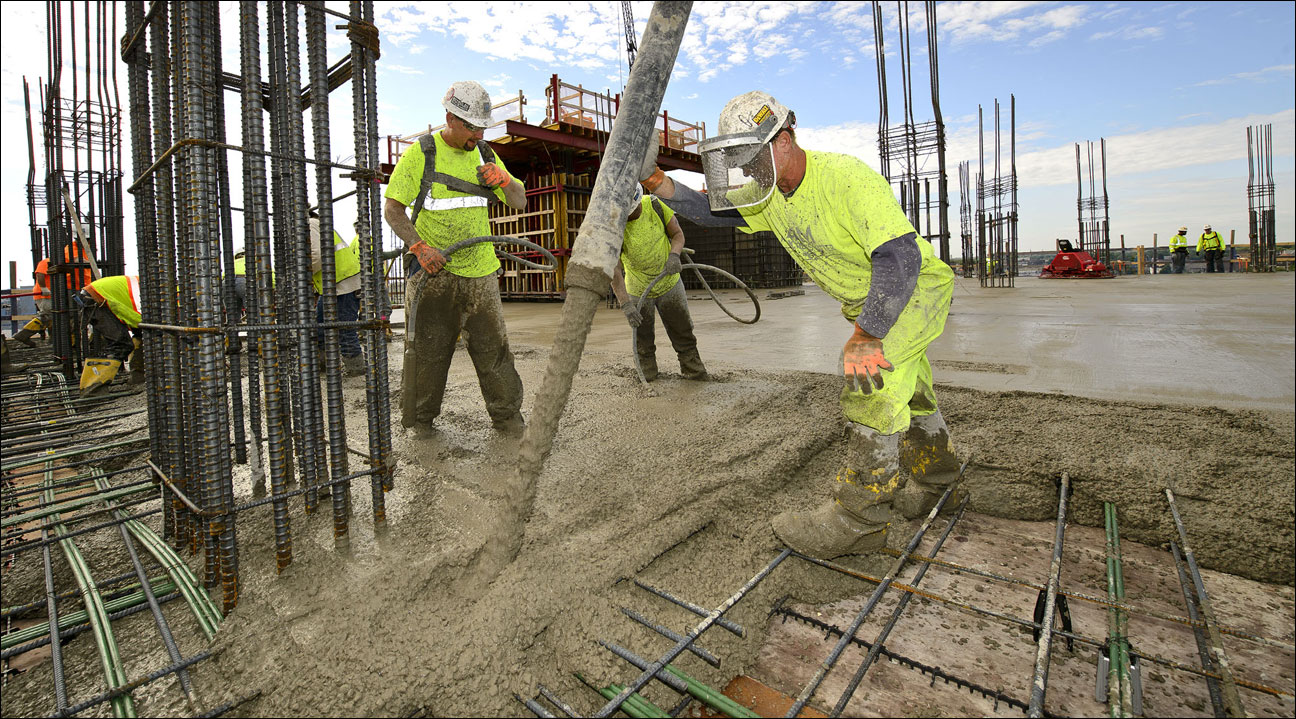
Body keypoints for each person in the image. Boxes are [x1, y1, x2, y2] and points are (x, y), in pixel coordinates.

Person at [641, 91, 959, 559]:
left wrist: (867, 335)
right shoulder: (769, 194)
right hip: (870, 300)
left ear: (784, 139)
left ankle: (861, 521)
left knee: (869, 381)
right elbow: (713, 211)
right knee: (911, 392)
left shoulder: (845, 178)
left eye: (752, 157)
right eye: (739, 161)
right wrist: (655, 180)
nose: (748, 171)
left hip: (910, 290)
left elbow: (899, 256)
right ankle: (942, 487)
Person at [382, 80, 528, 433]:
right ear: (450, 117)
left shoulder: (487, 156)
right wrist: (419, 247)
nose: (476, 134)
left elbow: (520, 201)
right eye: (470, 127)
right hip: (435, 274)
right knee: (429, 358)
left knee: (495, 354)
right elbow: (393, 210)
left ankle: (508, 418)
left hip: (481, 275)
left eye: (481, 127)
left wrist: (504, 180)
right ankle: (420, 423)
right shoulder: (422, 153)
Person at [612, 186, 708, 382]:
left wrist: (674, 255)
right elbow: (613, 267)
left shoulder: (656, 205)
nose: (629, 216)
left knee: (683, 332)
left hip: (669, 282)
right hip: (638, 289)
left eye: (632, 211)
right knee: (643, 339)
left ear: (638, 201)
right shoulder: (615, 223)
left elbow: (677, 234)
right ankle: (647, 375)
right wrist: (625, 304)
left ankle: (694, 372)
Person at [308, 215, 365, 376]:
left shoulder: (310, 224)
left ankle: (356, 369)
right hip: (332, 285)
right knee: (320, 324)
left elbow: (316, 256)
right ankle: (323, 364)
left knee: (345, 328)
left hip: (343, 282)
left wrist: (302, 275)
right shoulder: (315, 225)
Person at [76, 274, 144, 397]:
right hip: (96, 298)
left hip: (98, 296)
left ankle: (138, 377)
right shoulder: (169, 298)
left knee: (143, 334)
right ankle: (92, 391)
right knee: (121, 344)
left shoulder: (165, 291)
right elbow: (143, 318)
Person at [12, 258, 53, 348]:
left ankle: (53, 340)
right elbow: (40, 274)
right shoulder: (46, 262)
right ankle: (23, 335)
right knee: (47, 316)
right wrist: (44, 288)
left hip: (50, 294)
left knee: (52, 318)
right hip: (45, 295)